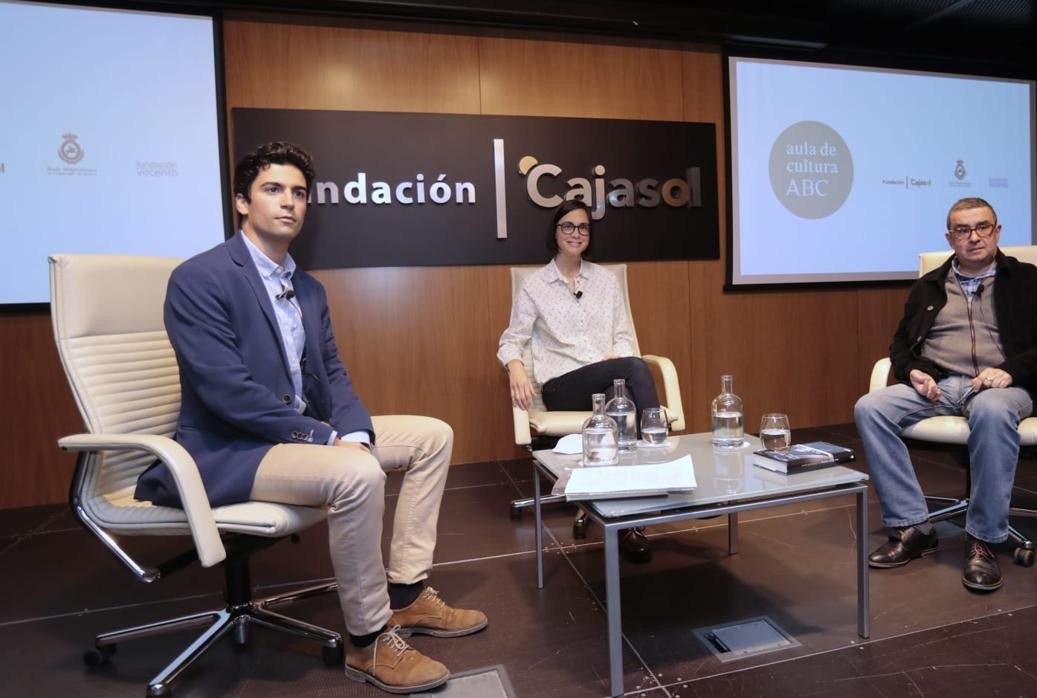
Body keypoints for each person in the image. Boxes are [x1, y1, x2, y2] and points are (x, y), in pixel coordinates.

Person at [134, 142, 486, 693]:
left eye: (299, 193)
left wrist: (353, 430)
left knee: (431, 437)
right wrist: (326, 439)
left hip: (297, 436)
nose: (290, 203)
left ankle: (407, 594)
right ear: (241, 203)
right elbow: (227, 394)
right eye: (273, 190)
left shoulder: (308, 289)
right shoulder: (200, 278)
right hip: (232, 448)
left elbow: (333, 376)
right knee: (357, 472)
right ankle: (368, 642)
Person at [853, 197, 1037, 592]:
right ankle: (912, 525)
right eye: (962, 230)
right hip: (940, 385)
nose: (974, 237)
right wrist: (913, 371)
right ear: (950, 237)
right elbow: (901, 345)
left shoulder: (1027, 280)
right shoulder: (929, 286)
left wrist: (1009, 371)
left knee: (990, 410)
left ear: (997, 231)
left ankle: (984, 541)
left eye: (982, 227)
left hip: (1003, 387)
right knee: (870, 408)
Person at [497, 199, 660, 563]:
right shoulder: (536, 285)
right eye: (567, 226)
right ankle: (657, 460)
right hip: (562, 387)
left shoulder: (605, 280)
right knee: (634, 371)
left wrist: (616, 356)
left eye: (583, 227)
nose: (576, 233)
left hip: (606, 379)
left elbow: (622, 335)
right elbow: (512, 339)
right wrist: (516, 366)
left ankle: (627, 520)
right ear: (554, 233)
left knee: (622, 395)